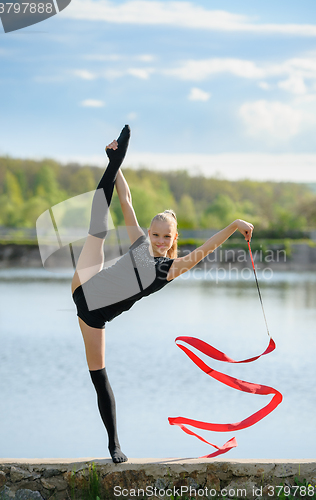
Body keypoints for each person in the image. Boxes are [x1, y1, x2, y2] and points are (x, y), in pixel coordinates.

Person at [71, 125, 254, 463]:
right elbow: (124, 200)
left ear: (173, 238)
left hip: (93, 317)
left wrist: (233, 224)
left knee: (99, 377)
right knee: (98, 222)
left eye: (164, 236)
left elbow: (205, 248)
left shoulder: (170, 269)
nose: (157, 240)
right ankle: (114, 158)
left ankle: (114, 445)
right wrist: (117, 164)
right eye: (154, 234)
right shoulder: (140, 246)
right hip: (85, 286)